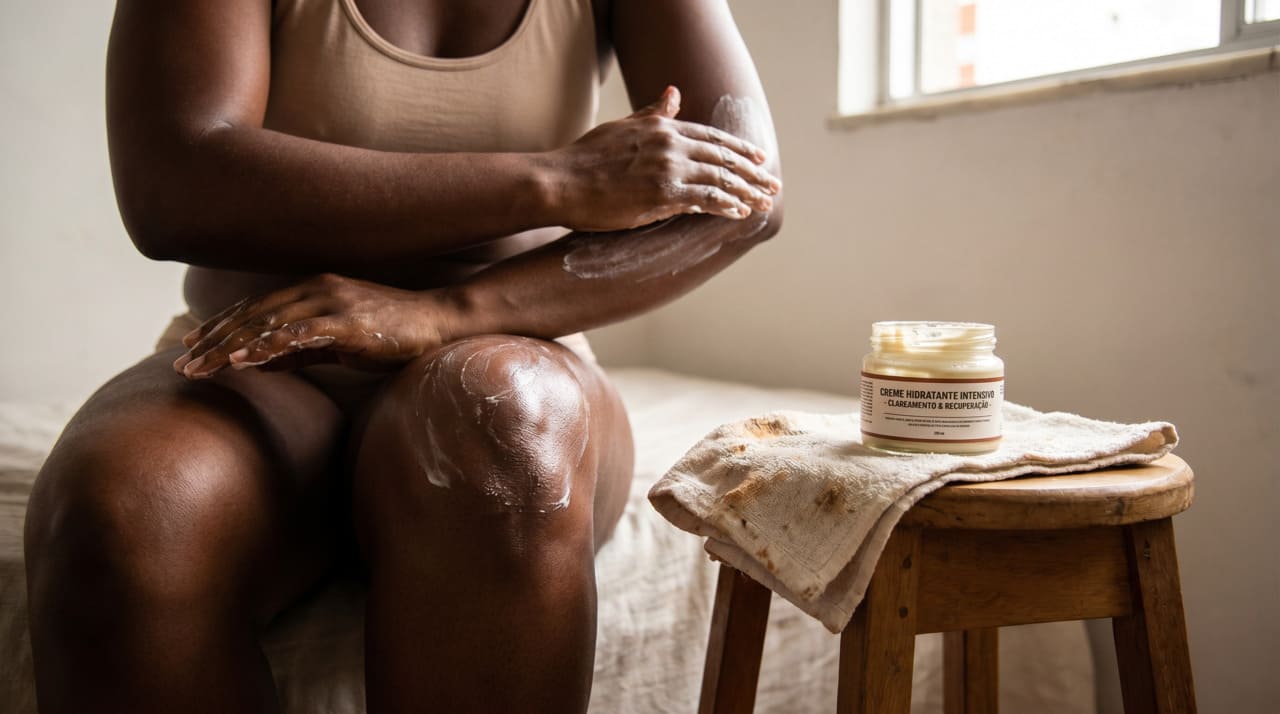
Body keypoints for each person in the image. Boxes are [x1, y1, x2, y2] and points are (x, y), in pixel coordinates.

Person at [23, 0, 782, 711]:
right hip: (262, 355)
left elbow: (747, 192)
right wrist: (554, 181)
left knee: (504, 428)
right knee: (123, 514)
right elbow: (173, 180)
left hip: (509, 346)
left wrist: (444, 314)